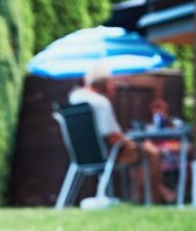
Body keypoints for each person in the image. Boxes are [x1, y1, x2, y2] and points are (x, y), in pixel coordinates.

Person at [68, 62, 175, 204]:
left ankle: (154, 194)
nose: (114, 84)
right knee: (151, 152)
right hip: (108, 152)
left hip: (83, 154)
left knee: (141, 150)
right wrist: (128, 139)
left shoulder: (75, 98)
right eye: (111, 81)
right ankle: (149, 199)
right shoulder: (101, 102)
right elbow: (112, 136)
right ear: (104, 83)